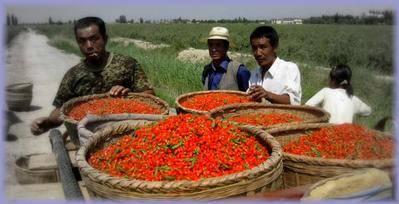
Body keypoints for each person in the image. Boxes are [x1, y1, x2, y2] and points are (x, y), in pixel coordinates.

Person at [30, 16, 154, 135]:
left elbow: (149, 95)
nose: (89, 46)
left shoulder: (127, 64)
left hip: (127, 129)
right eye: (82, 41)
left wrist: (129, 95)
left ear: (105, 39)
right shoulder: (73, 75)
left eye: (94, 39)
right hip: (90, 135)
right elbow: (62, 108)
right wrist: (48, 122)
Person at [247, 26, 301, 105]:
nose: (258, 53)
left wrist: (268, 95)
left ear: (275, 47)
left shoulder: (289, 69)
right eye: (254, 48)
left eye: (263, 47)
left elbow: (294, 101)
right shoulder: (254, 74)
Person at [305, 64, 371, 124]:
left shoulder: (326, 91)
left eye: (329, 78)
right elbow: (368, 111)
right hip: (347, 134)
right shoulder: (353, 99)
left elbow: (307, 106)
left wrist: (320, 112)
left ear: (333, 80)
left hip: (327, 132)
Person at [202, 27, 250, 92]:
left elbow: (248, 96)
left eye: (218, 45)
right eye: (211, 45)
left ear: (226, 47)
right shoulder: (207, 70)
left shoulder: (239, 70)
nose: (213, 49)